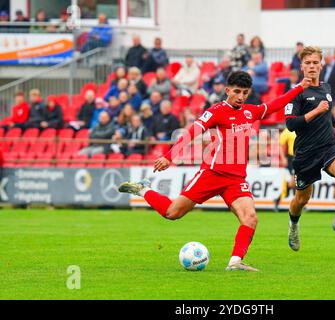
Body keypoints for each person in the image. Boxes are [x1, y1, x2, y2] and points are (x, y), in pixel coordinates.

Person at [118, 70, 312, 271]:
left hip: (236, 179)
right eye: (237, 91)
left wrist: (299, 87)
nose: (241, 97)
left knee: (250, 217)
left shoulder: (249, 112)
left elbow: (275, 105)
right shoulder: (216, 111)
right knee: (172, 213)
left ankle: (235, 262)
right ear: (227, 90)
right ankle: (143, 189)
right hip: (212, 173)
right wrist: (169, 156)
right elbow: (192, 132)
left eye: (245, 93)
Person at [285, 46, 335, 251]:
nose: (312, 66)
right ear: (302, 66)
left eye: (315, 62)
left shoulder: (326, 87)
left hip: (328, 146)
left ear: (321, 65)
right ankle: (293, 225)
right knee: (301, 199)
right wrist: (317, 110)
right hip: (306, 152)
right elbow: (291, 125)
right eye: (308, 63)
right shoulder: (295, 93)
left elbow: (327, 113)